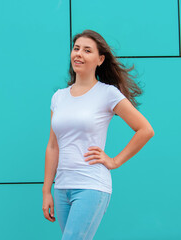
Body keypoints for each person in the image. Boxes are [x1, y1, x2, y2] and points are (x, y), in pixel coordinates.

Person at [42, 29, 154, 239]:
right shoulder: (58, 97)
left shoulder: (107, 94)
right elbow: (53, 146)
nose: (79, 54)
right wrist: (46, 189)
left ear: (100, 59)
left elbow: (145, 130)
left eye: (87, 50)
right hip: (62, 187)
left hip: (91, 185)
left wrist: (114, 161)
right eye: (76, 49)